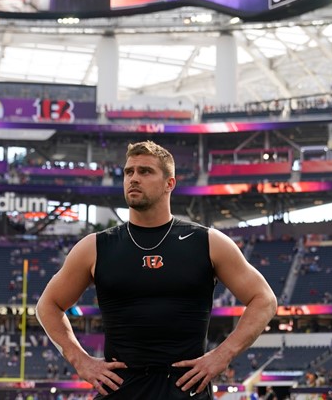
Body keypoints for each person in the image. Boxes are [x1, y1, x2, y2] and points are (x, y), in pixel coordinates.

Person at [36, 140, 277, 399]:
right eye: (129, 172)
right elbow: (47, 305)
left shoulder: (207, 242)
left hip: (185, 390)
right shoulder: (95, 247)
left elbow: (264, 300)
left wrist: (223, 355)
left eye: (145, 171)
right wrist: (80, 360)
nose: (134, 178)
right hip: (121, 389)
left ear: (169, 183)